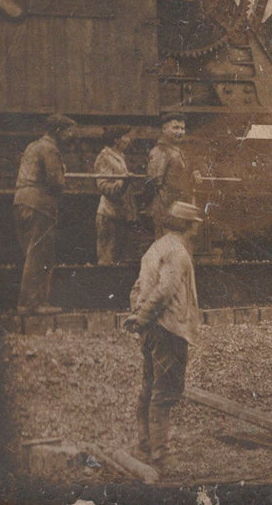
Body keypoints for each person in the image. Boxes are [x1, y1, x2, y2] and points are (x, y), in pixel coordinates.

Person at [124, 200, 203, 470]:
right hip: (169, 329)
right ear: (188, 225)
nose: (197, 229)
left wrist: (138, 315)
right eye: (195, 224)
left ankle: (144, 444)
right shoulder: (179, 253)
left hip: (150, 330)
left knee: (149, 385)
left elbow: (138, 287)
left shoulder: (155, 248)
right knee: (166, 390)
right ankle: (161, 453)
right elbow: (166, 291)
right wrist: (145, 316)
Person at [13, 113, 75, 313]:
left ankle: (29, 302)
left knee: (30, 253)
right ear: (58, 131)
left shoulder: (33, 146)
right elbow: (55, 181)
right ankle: (33, 303)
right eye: (68, 132)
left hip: (22, 200)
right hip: (40, 204)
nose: (70, 136)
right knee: (40, 255)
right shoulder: (51, 149)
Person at [94, 125, 140, 265]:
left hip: (120, 215)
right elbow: (104, 187)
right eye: (125, 137)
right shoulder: (104, 157)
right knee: (107, 259)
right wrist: (123, 183)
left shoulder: (119, 156)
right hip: (110, 215)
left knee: (119, 259)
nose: (128, 140)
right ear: (116, 140)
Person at [145, 112, 193, 234]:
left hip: (179, 208)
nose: (180, 132)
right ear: (164, 129)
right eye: (175, 127)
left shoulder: (179, 151)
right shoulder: (160, 151)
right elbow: (154, 181)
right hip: (166, 210)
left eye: (182, 128)